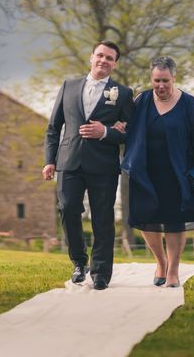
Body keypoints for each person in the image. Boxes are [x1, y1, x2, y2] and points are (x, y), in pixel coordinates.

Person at [121, 57, 194, 287]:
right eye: (156, 80)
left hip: (177, 173)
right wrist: (118, 127)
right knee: (146, 219)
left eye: (165, 80)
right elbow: (128, 126)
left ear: (174, 78)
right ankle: (160, 263)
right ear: (151, 79)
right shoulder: (142, 100)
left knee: (175, 221)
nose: (161, 86)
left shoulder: (188, 103)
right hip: (146, 172)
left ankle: (174, 270)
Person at [43, 41, 133, 290]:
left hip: (103, 165)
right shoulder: (68, 86)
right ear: (91, 57)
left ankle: (101, 272)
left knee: (103, 219)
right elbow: (54, 127)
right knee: (68, 208)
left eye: (109, 58)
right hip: (68, 161)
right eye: (100, 55)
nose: (103, 60)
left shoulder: (123, 93)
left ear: (115, 64)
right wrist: (49, 160)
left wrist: (105, 132)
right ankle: (79, 263)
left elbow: (131, 132)